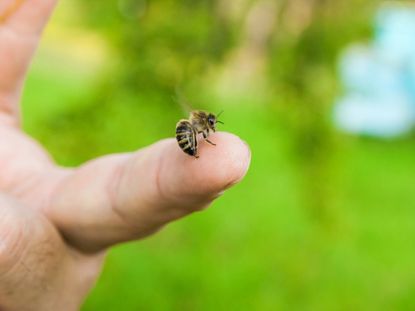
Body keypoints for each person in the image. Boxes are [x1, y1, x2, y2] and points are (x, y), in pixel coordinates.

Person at [0, 1, 251, 310]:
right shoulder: (198, 125)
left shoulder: (200, 126)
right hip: (186, 139)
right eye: (210, 125)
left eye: (210, 126)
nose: (211, 127)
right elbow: (197, 129)